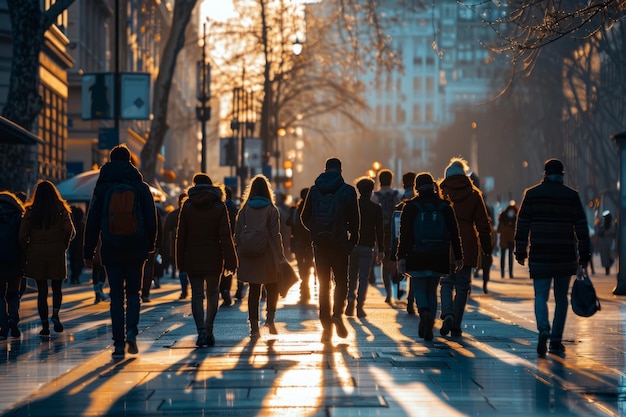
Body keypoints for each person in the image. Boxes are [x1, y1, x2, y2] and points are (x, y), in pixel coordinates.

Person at [83, 144, 158, 359]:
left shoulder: (102, 187)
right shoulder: (141, 186)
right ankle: (132, 332)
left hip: (111, 247)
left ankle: (117, 344)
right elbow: (151, 219)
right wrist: (150, 244)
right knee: (133, 293)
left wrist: (88, 251)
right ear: (130, 161)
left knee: (116, 296)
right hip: (136, 247)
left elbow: (92, 221)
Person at [515, 158, 590, 357]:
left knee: (540, 295)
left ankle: (543, 329)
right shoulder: (571, 196)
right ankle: (556, 342)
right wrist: (584, 256)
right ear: (562, 175)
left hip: (540, 253)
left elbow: (522, 224)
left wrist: (520, 250)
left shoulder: (531, 195)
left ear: (545, 174)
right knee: (561, 298)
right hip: (564, 254)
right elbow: (582, 227)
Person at [397, 173, 463, 341]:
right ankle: (430, 320)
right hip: (439, 254)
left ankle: (424, 312)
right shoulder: (444, 206)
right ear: (433, 186)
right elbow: (454, 233)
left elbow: (403, 235)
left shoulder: (410, 207)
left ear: (416, 188)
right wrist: (458, 256)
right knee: (432, 289)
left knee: (419, 286)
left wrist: (401, 257)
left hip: (416, 254)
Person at [301, 157, 359, 342]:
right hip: (340, 244)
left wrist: (317, 231)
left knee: (323, 284)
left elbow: (304, 217)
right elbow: (355, 219)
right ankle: (337, 314)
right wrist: (352, 240)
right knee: (342, 281)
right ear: (340, 170)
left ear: (325, 169)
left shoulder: (314, 190)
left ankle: (325, 324)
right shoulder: (348, 191)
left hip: (320, 246)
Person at [176, 174, 238, 347]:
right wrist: (231, 261)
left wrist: (179, 260)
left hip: (192, 256)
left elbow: (181, 236)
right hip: (214, 257)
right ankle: (209, 329)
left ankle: (201, 332)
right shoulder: (219, 206)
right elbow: (225, 236)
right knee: (212, 293)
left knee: (196, 295)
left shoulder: (187, 206)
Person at [439, 157, 492, 337]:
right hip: (468, 241)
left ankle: (447, 313)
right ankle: (456, 323)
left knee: (446, 282)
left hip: (445, 241)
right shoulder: (474, 194)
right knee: (462, 286)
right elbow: (483, 223)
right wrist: (487, 247)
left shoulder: (442, 193)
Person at [19, 180, 75, 337]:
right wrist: (64, 246)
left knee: (41, 291)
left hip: (36, 252)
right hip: (56, 251)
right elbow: (69, 230)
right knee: (57, 288)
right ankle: (55, 314)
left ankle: (44, 325)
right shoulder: (61, 210)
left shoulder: (30, 211)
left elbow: (22, 235)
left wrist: (28, 250)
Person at [234, 175, 285, 338]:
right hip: (268, 253)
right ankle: (270, 319)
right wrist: (281, 254)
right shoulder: (271, 209)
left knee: (254, 289)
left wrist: (243, 248)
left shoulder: (244, 210)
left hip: (250, 254)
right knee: (272, 286)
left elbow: (237, 234)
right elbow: (276, 234)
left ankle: (254, 326)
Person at [346, 177, 384, 318]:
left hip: (351, 246)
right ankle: (359, 306)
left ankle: (350, 298)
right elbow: (379, 230)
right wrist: (381, 249)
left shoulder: (352, 206)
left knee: (351, 276)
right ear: (372, 190)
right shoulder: (376, 208)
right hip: (367, 247)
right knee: (363, 277)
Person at [371, 169, 402, 303]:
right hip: (395, 231)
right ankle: (397, 285)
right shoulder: (397, 195)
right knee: (396, 258)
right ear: (391, 180)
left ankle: (389, 293)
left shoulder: (375, 196)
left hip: (381, 231)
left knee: (383, 261)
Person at [0, 191, 25, 340]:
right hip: (15, 258)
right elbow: (23, 237)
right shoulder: (18, 216)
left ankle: (2, 326)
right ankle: (13, 319)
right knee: (14, 293)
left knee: (0, 294)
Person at [286, 188, 315, 304]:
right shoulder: (313, 209)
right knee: (308, 263)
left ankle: (304, 284)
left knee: (300, 263)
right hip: (309, 241)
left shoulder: (295, 209)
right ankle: (305, 284)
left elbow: (288, 222)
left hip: (298, 241)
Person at [396, 171, 417, 314]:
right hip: (417, 239)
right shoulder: (417, 198)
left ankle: (400, 291)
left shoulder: (402, 199)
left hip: (404, 238)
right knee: (415, 274)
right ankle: (411, 298)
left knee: (403, 268)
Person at [162, 193, 188, 299]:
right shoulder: (194, 213)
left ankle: (184, 290)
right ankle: (195, 289)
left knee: (182, 269)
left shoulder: (173, 215)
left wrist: (165, 246)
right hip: (191, 247)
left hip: (177, 247)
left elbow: (165, 231)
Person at [219, 186, 238, 307]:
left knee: (219, 267)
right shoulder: (233, 207)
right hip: (231, 239)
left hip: (218, 240)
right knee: (230, 266)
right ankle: (226, 289)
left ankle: (222, 290)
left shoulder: (218, 206)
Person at [497, 200, 518, 279]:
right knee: (510, 257)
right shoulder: (515, 217)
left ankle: (502, 273)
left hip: (503, 240)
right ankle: (510, 273)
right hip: (511, 239)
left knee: (503, 257)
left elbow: (499, 230)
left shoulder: (503, 216)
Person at [68, 206, 85, 284]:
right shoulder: (83, 225)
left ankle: (73, 276)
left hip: (72, 245)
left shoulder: (72, 226)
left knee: (73, 262)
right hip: (81, 246)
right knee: (80, 262)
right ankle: (76, 276)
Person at [596, 210, 616, 276]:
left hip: (607, 243)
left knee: (609, 257)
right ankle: (607, 270)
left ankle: (607, 269)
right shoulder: (603, 224)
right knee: (606, 257)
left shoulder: (610, 225)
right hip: (605, 243)